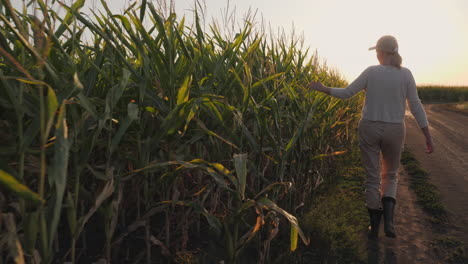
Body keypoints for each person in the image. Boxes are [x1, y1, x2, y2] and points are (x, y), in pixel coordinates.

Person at [308, 35, 434, 239]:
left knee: (373, 177)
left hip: (369, 127)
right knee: (391, 175)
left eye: (377, 51)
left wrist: (323, 88)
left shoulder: (371, 72)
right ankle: (390, 223)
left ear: (380, 53)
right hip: (395, 129)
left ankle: (374, 226)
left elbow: (347, 93)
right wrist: (427, 134)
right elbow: (416, 106)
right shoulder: (406, 75)